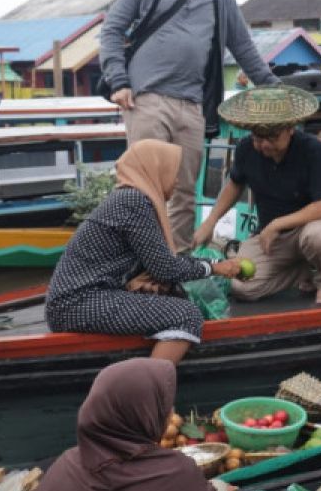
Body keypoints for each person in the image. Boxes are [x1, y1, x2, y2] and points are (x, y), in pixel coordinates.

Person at [99, 0, 279, 251]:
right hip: (147, 98)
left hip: (193, 105)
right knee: (145, 188)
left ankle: (175, 265)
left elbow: (242, 45)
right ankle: (139, 263)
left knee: (184, 192)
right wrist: (118, 81)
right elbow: (111, 31)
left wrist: (273, 87)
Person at [25, 358, 290, 491]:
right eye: (165, 409)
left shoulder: (61, 470)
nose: (171, 414)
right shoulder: (173, 472)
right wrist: (219, 486)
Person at [45, 141, 241, 363]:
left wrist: (212, 265)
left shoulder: (131, 199)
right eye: (172, 173)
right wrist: (215, 268)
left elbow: (162, 261)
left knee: (176, 300)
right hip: (78, 303)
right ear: (154, 169)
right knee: (185, 315)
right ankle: (151, 386)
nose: (176, 181)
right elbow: (166, 268)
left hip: (80, 300)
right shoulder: (133, 201)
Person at [194, 87, 321, 306]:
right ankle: (301, 270)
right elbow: (234, 185)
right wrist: (210, 221)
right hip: (271, 238)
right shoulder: (247, 148)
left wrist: (276, 224)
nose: (264, 145)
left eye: (272, 137)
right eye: (258, 138)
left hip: (312, 227)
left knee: (319, 237)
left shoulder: (313, 150)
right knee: (241, 286)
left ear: (290, 129)